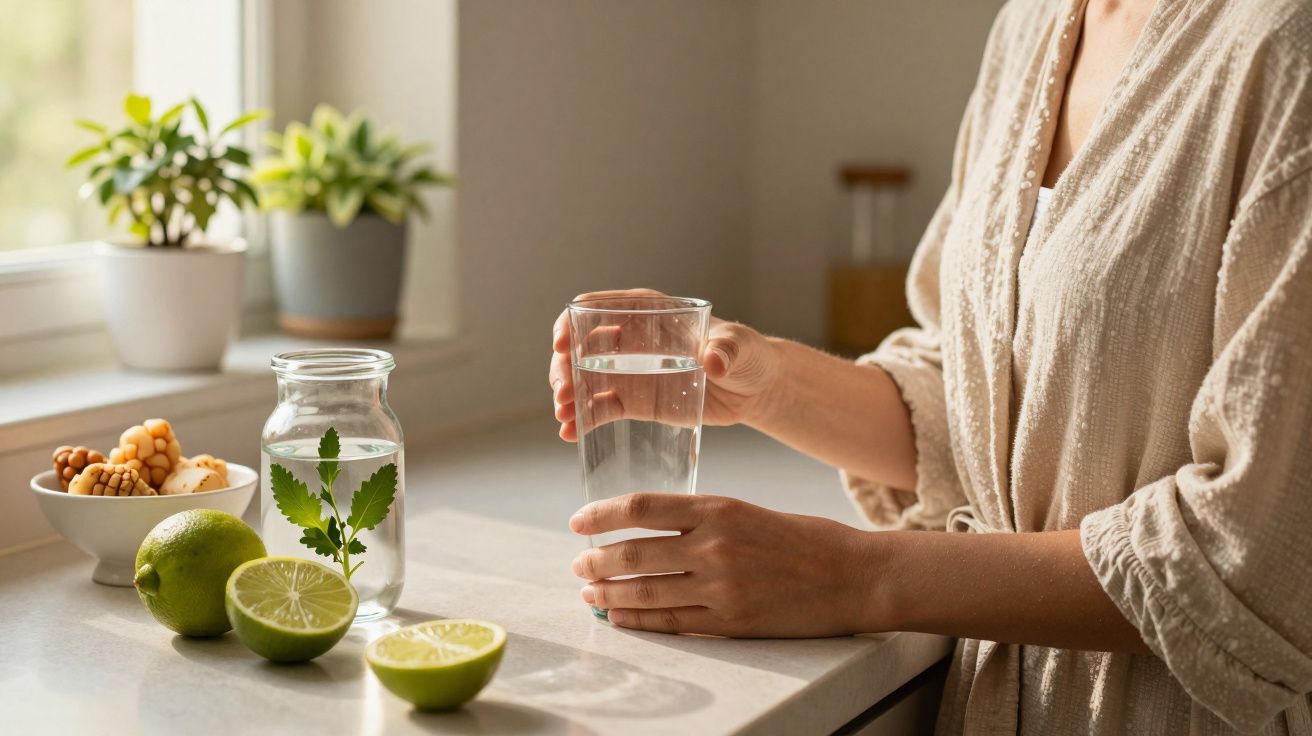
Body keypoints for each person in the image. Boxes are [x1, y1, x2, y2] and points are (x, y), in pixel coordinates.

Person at [547, 0, 1312, 732]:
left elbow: (1261, 558)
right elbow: (983, 415)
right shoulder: (1031, 26)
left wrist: (848, 575)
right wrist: (766, 381)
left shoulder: (1287, 44)